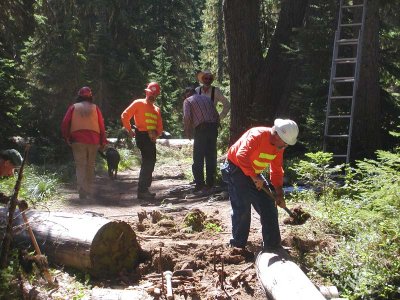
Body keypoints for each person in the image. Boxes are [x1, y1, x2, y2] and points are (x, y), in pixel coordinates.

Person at [221, 119, 299, 250]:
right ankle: (237, 246)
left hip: (253, 171)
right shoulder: (257, 135)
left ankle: (273, 245)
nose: (285, 146)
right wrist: (254, 177)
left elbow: (277, 169)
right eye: (284, 143)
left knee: (269, 205)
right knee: (243, 206)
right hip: (236, 168)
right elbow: (241, 156)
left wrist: (279, 193)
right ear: (276, 134)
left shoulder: (279, 147)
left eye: (287, 144)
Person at [61, 86, 107, 199]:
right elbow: (101, 125)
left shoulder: (73, 107)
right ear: (90, 96)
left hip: (77, 140)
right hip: (94, 140)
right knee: (90, 165)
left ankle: (82, 189)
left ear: (79, 96)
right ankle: (88, 189)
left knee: (80, 165)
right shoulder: (96, 108)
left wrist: (66, 137)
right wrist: (103, 141)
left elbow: (65, 123)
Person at [121, 82, 163, 200]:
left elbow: (160, 127)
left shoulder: (156, 109)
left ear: (157, 95)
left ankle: (144, 189)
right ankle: (142, 190)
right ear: (146, 92)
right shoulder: (138, 103)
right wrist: (129, 130)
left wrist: (156, 134)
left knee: (151, 161)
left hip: (151, 138)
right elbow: (125, 115)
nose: (152, 96)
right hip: (141, 135)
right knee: (148, 161)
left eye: (154, 94)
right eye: (150, 93)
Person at [183, 87, 220, 192]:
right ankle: (211, 183)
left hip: (201, 129)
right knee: (211, 156)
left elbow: (187, 117)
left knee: (198, 157)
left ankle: (199, 184)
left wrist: (188, 131)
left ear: (187, 94)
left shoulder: (188, 101)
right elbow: (216, 115)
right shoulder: (207, 99)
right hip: (213, 128)